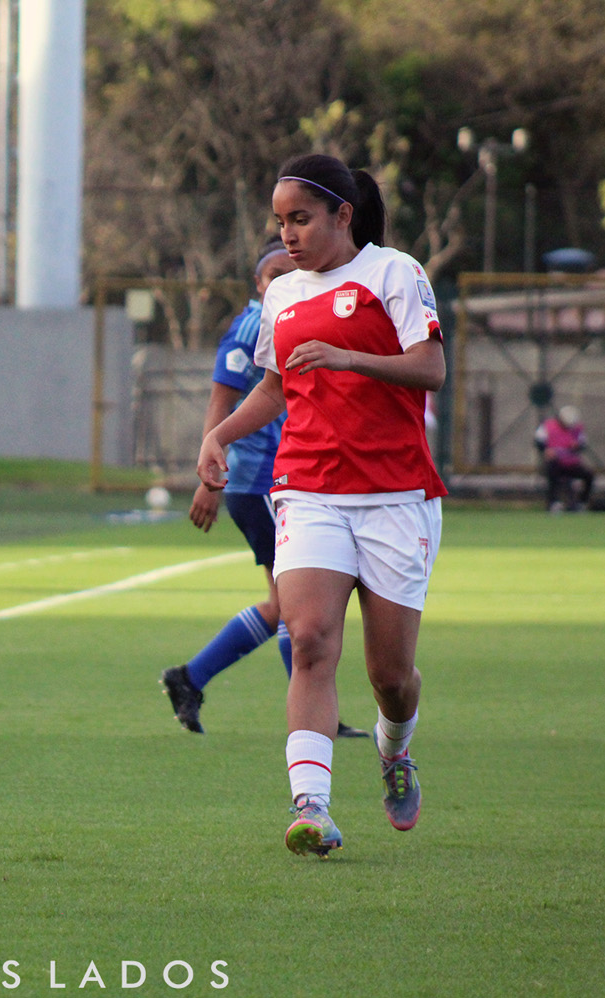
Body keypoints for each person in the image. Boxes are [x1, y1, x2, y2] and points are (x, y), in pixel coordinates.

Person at [197, 154, 446, 858]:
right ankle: (311, 806)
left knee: (389, 677)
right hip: (307, 488)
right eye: (280, 221)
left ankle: (394, 749)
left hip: (395, 495)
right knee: (307, 640)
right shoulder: (282, 294)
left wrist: (348, 358)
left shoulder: (394, 273)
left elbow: (431, 368)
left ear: (343, 214)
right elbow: (276, 387)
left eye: (300, 219)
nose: (288, 234)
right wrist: (218, 435)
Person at [162, 244, 368, 739]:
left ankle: (191, 678)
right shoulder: (255, 325)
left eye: (289, 270)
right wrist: (210, 477)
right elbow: (221, 400)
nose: (283, 278)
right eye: (273, 273)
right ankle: (315, 714)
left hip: (280, 480)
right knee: (296, 606)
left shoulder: (297, 314)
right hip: (258, 480)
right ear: (257, 284)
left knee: (285, 605)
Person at [535, 405, 593, 511]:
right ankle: (554, 502)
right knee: (551, 473)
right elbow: (539, 441)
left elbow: (583, 443)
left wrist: (577, 446)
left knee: (589, 475)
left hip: (572, 463)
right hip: (555, 462)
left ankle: (582, 502)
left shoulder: (577, 428)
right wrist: (546, 450)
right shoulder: (548, 426)